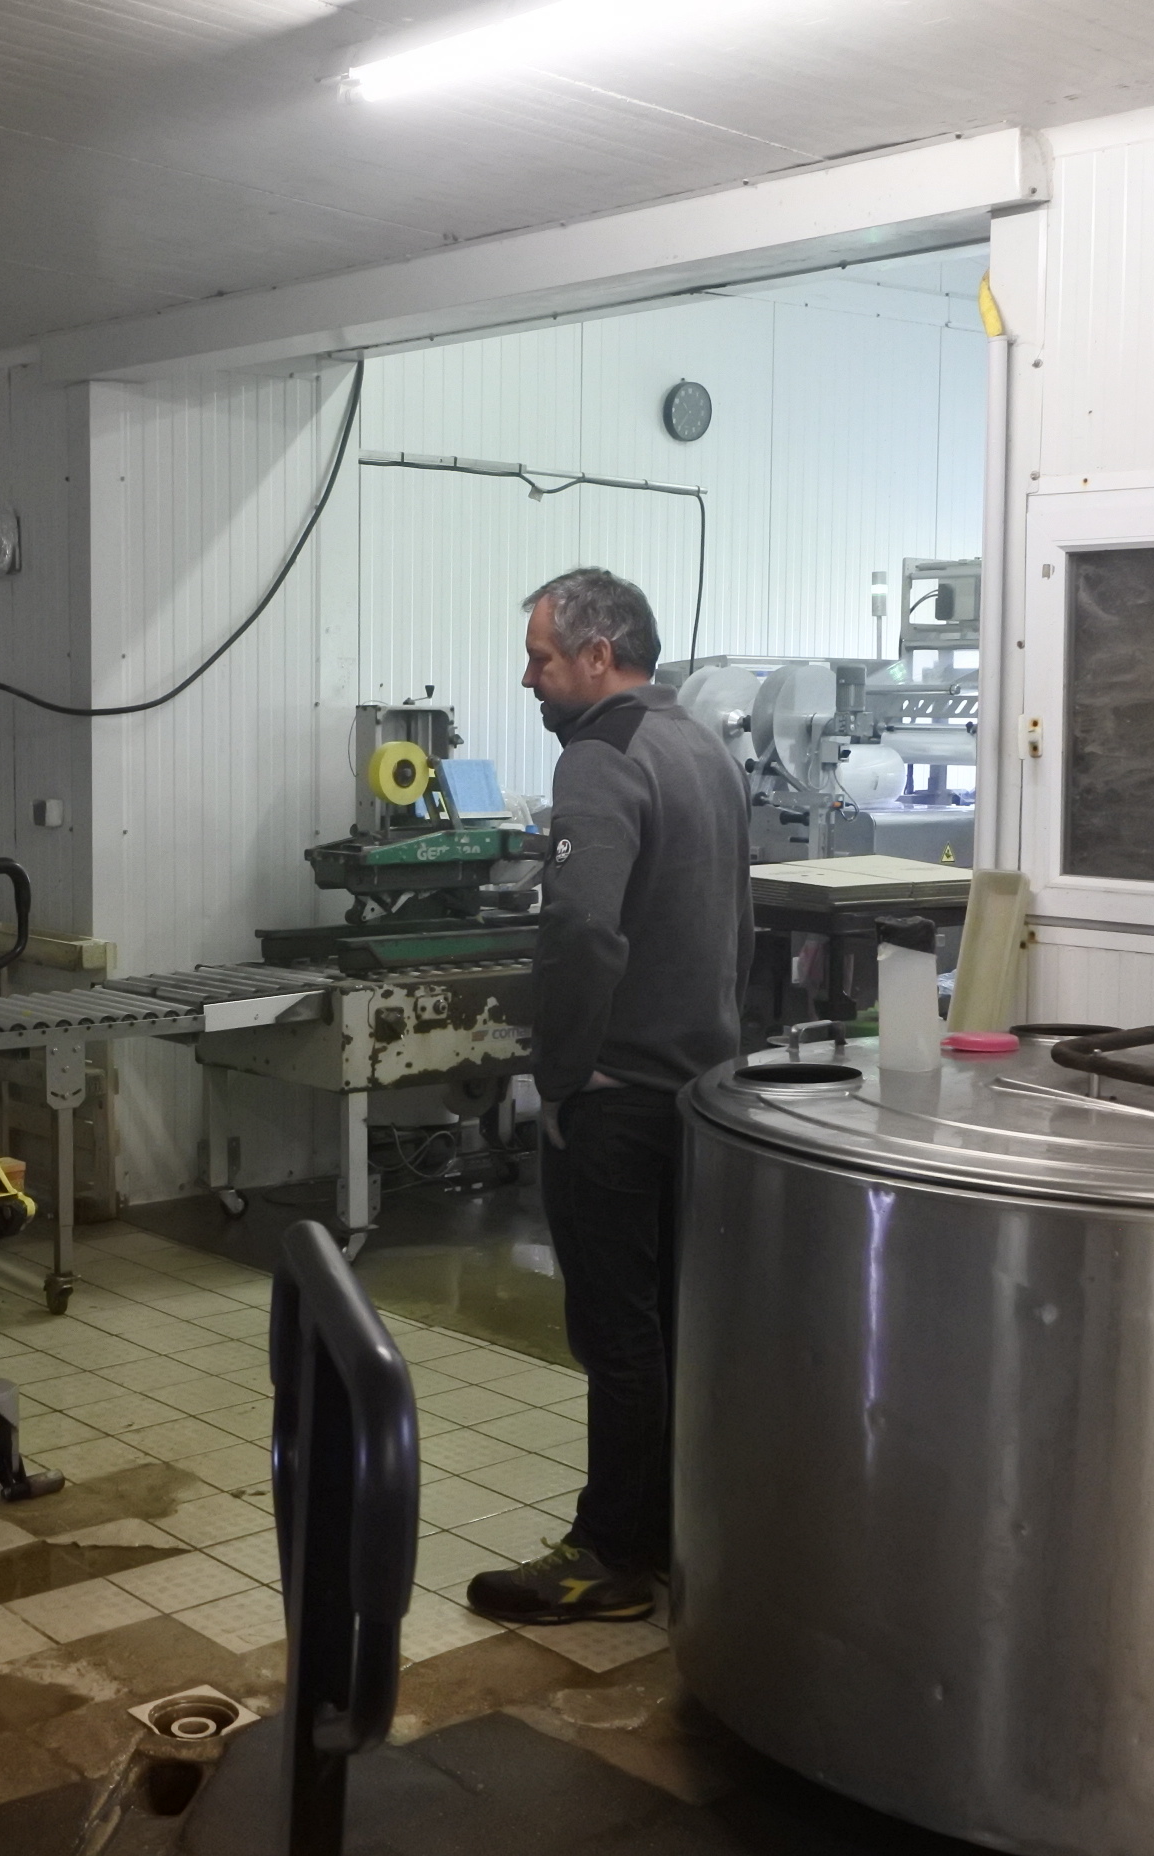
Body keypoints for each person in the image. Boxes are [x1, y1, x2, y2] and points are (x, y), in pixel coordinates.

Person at [467, 568, 752, 1626]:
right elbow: (740, 921)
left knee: (618, 1335)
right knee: (670, 1329)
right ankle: (673, 1530)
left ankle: (609, 1554)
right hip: (697, 1091)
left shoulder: (601, 755)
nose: (529, 676)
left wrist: (562, 1070)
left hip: (619, 1096)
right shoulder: (703, 746)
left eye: (542, 656)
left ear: (598, 656)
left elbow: (580, 930)